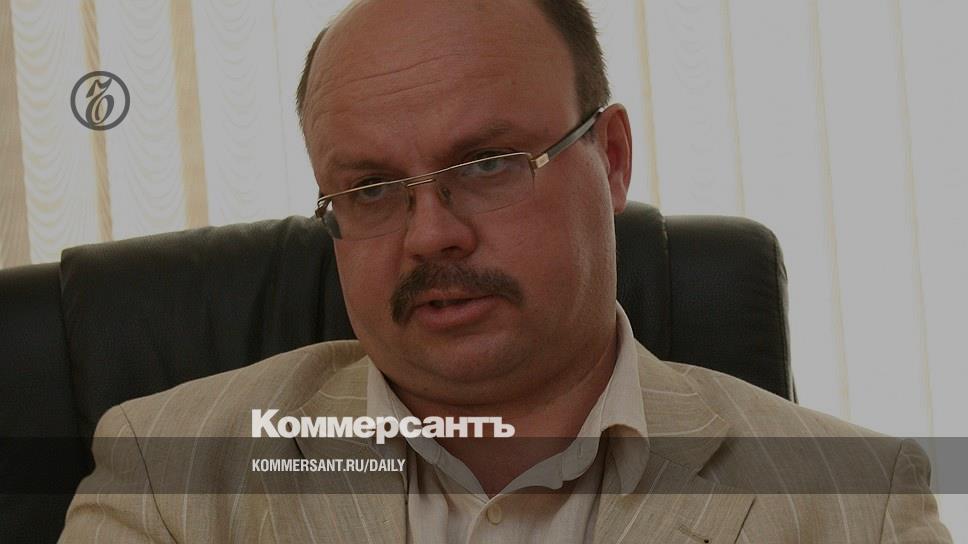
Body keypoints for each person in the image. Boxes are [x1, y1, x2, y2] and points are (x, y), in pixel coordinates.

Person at [60, 0, 951, 542]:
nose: (429, 236)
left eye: (486, 164)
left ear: (610, 158)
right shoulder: (168, 477)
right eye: (370, 188)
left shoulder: (856, 506)